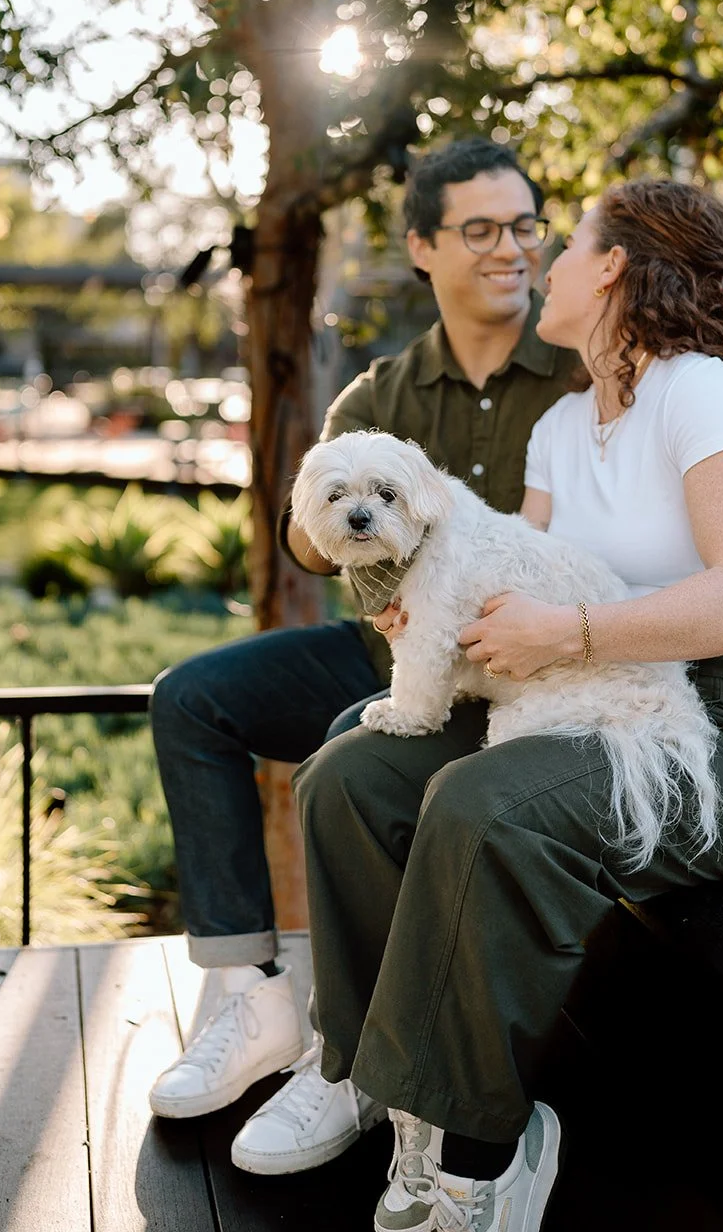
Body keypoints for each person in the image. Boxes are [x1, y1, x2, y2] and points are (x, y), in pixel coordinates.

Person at [292, 177, 723, 1232]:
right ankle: (357, 1070)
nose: (541, 262)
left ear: (611, 265)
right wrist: (428, 608)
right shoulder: (565, 424)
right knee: (345, 768)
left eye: (561, 243)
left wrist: (562, 634)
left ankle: (483, 1146)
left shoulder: (702, 390)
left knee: (483, 806)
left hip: (706, 731)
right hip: (561, 697)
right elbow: (495, 573)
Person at [148, 136, 580, 1169]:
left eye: (524, 226)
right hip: (382, 644)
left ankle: (349, 1055)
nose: (510, 249)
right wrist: (342, 526)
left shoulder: (576, 374)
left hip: (518, 662)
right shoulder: (378, 395)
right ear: (422, 246)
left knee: (351, 754)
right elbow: (307, 530)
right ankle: (250, 1000)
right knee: (188, 698)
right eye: (480, 230)